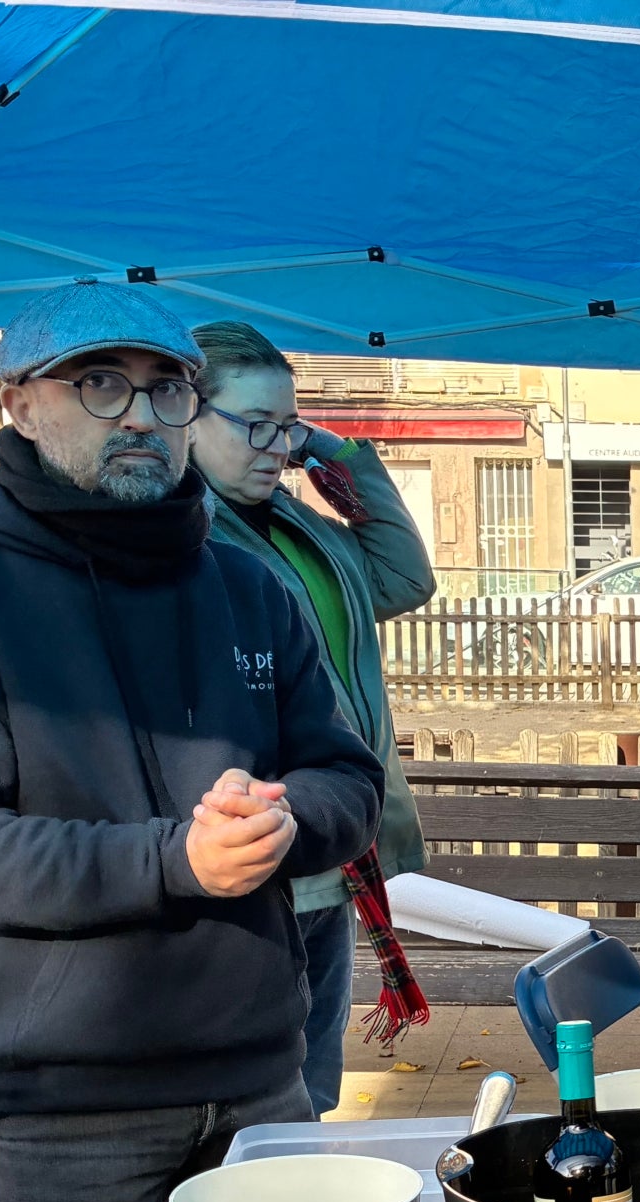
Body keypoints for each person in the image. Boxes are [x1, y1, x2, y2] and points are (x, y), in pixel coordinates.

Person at [0, 281, 383, 1202]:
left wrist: (281, 820)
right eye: (100, 382)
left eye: (167, 386)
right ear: (17, 402)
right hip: (65, 1115)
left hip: (259, 1081)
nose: (141, 414)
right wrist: (173, 861)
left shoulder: (249, 588)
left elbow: (348, 777)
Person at [191, 321, 434, 1117]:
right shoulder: (184, 540)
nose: (275, 445)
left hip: (331, 837)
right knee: (263, 1084)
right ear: (184, 415)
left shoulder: (299, 529)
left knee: (314, 1080)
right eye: (252, 424)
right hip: (249, 844)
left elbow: (403, 575)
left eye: (287, 426)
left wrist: (337, 451)